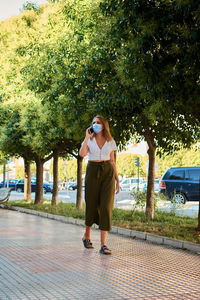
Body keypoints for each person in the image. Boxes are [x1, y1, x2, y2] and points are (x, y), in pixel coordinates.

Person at [79, 115, 120, 255]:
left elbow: (113, 161)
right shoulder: (89, 140)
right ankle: (86, 236)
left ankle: (103, 245)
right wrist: (86, 137)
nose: (96, 124)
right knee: (91, 205)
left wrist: (117, 179)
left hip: (107, 173)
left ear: (104, 125)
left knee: (106, 207)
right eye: (94, 122)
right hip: (92, 171)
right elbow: (82, 154)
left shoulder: (110, 141)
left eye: (98, 122)